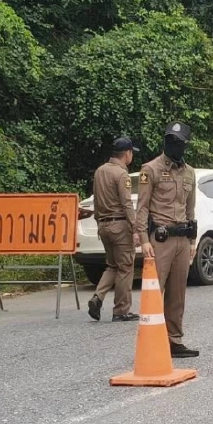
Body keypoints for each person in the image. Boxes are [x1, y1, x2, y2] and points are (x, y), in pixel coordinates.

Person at [135, 122, 199, 358]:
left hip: (182, 238)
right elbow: (142, 207)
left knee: (177, 293)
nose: (173, 144)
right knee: (154, 292)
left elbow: (190, 209)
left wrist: (192, 241)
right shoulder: (150, 169)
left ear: (185, 145)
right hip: (160, 240)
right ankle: (149, 342)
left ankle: (174, 340)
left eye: (178, 141)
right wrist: (144, 239)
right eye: (169, 139)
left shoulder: (189, 173)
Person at [88, 137, 140, 323]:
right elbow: (126, 203)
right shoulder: (122, 174)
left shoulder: (100, 171)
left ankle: (98, 296)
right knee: (126, 266)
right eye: (132, 153)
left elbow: (96, 200)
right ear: (127, 153)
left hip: (103, 225)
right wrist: (135, 228)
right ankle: (121, 310)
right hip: (119, 226)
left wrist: (98, 222)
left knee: (112, 265)